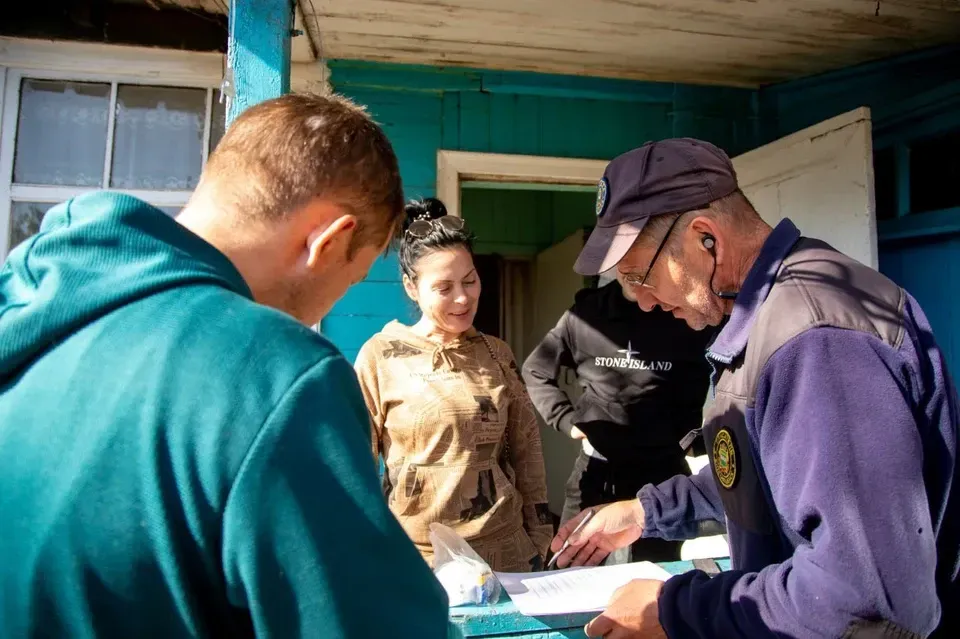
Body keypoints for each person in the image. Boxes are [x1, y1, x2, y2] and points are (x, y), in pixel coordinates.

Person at [0, 93, 459, 638]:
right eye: (351, 280)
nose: (330, 305)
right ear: (328, 241)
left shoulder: (33, 306)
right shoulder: (278, 375)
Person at [550, 138, 960, 638]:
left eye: (639, 276)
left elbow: (865, 597)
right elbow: (767, 469)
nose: (642, 302)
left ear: (707, 240)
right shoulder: (771, 314)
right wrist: (645, 512)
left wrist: (676, 610)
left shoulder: (816, 341)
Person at [354, 197, 553, 572]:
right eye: (444, 287)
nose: (463, 297)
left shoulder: (496, 353)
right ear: (412, 287)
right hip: (417, 560)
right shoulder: (380, 357)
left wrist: (540, 539)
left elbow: (527, 453)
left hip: (505, 556)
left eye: (470, 280)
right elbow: (355, 467)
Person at [522, 270, 713, 564]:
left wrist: (702, 438)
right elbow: (536, 370)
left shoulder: (686, 309)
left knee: (652, 577)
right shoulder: (587, 314)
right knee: (571, 567)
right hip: (598, 471)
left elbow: (728, 376)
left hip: (662, 474)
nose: (634, 275)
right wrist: (566, 420)